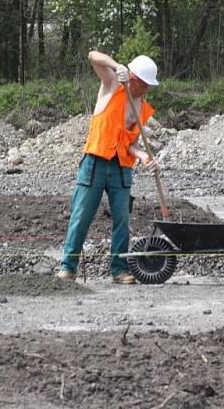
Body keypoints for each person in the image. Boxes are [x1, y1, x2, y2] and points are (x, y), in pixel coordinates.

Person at [57, 50, 159, 284]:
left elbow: (131, 144)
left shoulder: (142, 108)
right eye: (144, 84)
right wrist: (117, 66)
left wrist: (143, 156)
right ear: (133, 78)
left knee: (122, 219)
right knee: (81, 215)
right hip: (96, 161)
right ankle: (67, 267)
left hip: (121, 167)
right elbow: (92, 55)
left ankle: (119, 269)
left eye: (148, 86)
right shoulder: (112, 85)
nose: (146, 90)